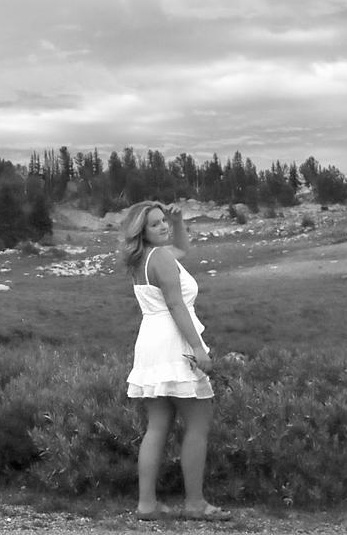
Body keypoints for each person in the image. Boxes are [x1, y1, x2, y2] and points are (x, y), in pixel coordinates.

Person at [120, 200, 232, 521]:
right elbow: (176, 304)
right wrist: (198, 348)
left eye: (163, 221)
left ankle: (147, 504)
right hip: (174, 342)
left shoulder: (144, 258)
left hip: (150, 343)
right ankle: (195, 502)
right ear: (142, 231)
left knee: (157, 425)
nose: (163, 226)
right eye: (155, 224)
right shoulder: (161, 258)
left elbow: (182, 249)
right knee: (198, 421)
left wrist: (179, 222)